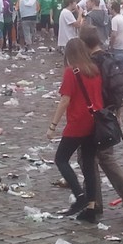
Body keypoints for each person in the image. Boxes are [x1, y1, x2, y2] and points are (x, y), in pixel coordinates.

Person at [79, 25, 123, 210]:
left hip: (95, 115)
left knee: (87, 158)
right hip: (110, 114)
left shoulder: (91, 64)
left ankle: (94, 201)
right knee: (104, 155)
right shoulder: (111, 59)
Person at [46, 38, 103, 223]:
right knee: (88, 164)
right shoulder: (94, 70)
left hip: (78, 122)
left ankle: (79, 196)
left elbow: (65, 100)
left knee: (61, 159)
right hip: (94, 123)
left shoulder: (71, 72)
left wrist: (52, 126)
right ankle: (91, 208)